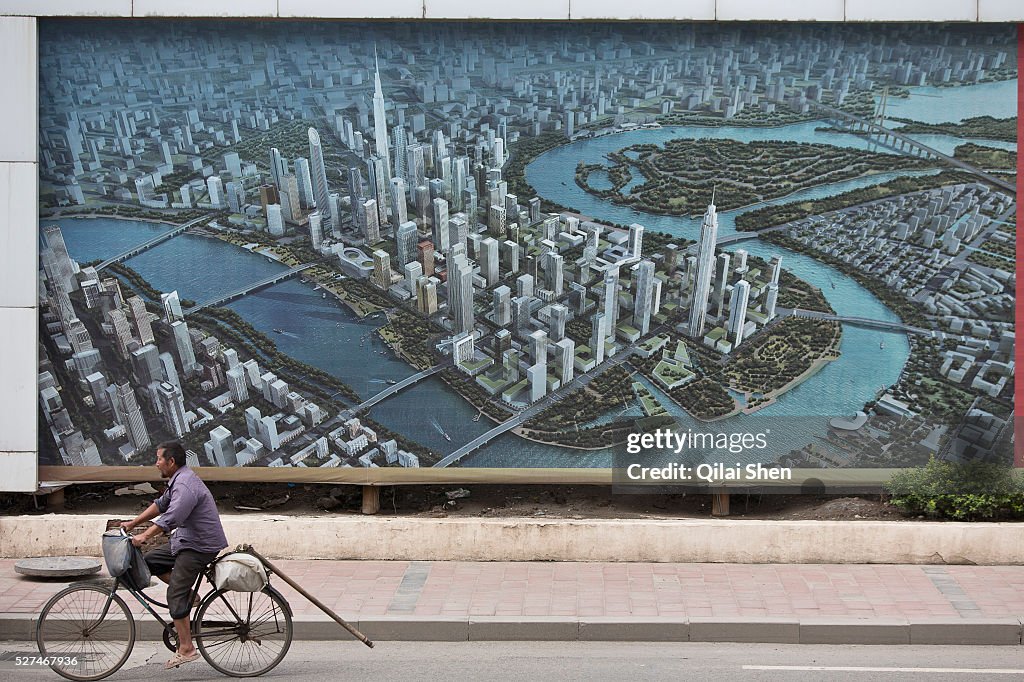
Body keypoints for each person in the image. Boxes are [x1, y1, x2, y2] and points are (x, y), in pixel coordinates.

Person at [120, 441, 228, 669]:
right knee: (149, 561)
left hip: (200, 545)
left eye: (159, 459)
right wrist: (132, 523)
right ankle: (189, 596)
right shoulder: (177, 480)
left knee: (174, 593)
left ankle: (187, 648)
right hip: (186, 540)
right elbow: (160, 505)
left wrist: (144, 536)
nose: (156, 463)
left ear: (171, 462)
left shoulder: (185, 486)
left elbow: (172, 518)